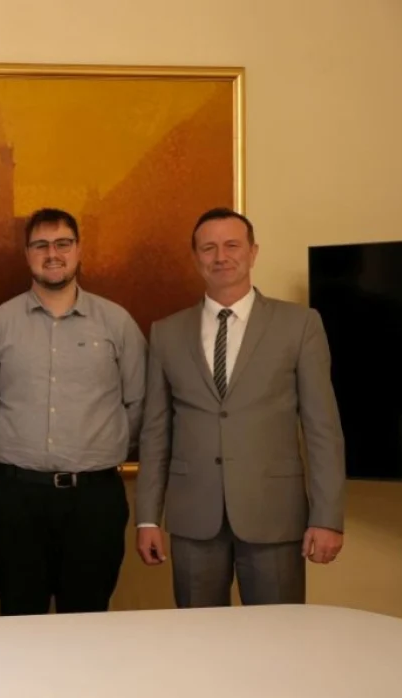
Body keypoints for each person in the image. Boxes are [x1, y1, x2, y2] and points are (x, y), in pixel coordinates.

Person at [135, 207, 346, 607]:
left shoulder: (300, 324)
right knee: (199, 637)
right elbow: (155, 433)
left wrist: (327, 517)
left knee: (276, 637)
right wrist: (147, 517)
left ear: (253, 252)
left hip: (274, 516)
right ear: (196, 257)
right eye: (209, 248)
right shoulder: (166, 332)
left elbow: (323, 429)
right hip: (193, 519)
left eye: (232, 245)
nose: (221, 256)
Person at [0, 208, 146, 615]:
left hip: (94, 501)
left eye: (63, 243)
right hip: (16, 498)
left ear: (79, 250)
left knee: (87, 619)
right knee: (19, 617)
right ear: (27, 254)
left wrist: (99, 450)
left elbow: (137, 403)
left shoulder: (116, 322)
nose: (53, 254)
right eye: (41, 245)